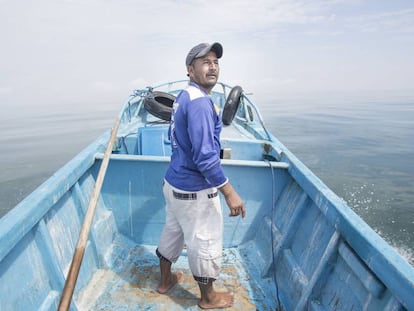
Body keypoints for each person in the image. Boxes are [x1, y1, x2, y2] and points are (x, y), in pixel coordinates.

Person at [156, 42, 246, 309]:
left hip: (173, 184)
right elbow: (206, 159)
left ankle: (165, 281)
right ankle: (208, 298)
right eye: (205, 61)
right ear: (190, 70)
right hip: (194, 192)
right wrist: (230, 193)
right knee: (205, 241)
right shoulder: (202, 104)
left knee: (172, 232)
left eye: (216, 62)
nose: (213, 67)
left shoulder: (185, 96)